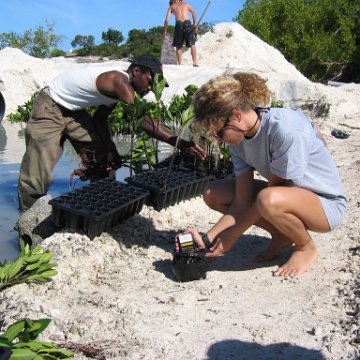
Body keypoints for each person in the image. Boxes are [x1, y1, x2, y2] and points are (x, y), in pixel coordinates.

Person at [177, 72, 347, 277]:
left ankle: (305, 248)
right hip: (288, 196)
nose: (219, 140)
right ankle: (282, 234)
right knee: (214, 193)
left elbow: (270, 195)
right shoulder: (239, 140)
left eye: (219, 133)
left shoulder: (284, 130)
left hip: (325, 205)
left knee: (267, 199)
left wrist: (233, 234)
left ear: (237, 116)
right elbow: (242, 201)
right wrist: (206, 240)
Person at [18, 54, 206, 212]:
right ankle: (28, 213)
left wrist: (111, 150)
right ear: (136, 71)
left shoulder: (119, 90)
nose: (150, 88)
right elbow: (144, 121)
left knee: (101, 157)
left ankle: (102, 198)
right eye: (150, 81)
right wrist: (180, 143)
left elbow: (100, 119)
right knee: (39, 165)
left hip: (74, 110)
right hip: (51, 104)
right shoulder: (119, 81)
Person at [164, 0, 198, 67]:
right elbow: (193, 12)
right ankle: (195, 63)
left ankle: (180, 64)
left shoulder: (172, 7)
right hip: (187, 23)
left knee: (178, 46)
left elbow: (167, 20)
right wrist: (195, 24)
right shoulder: (186, 4)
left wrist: (165, 30)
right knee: (192, 44)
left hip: (179, 24)